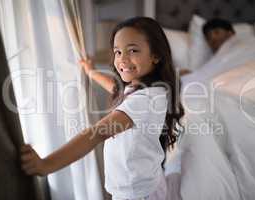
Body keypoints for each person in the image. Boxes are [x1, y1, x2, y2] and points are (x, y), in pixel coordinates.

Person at [20, 16, 184, 200]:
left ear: (156, 55)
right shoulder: (148, 89)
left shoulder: (144, 100)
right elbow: (116, 88)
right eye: (118, 52)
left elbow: (97, 133)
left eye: (133, 50)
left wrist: (46, 165)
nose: (123, 59)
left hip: (137, 194)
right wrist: (91, 72)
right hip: (147, 184)